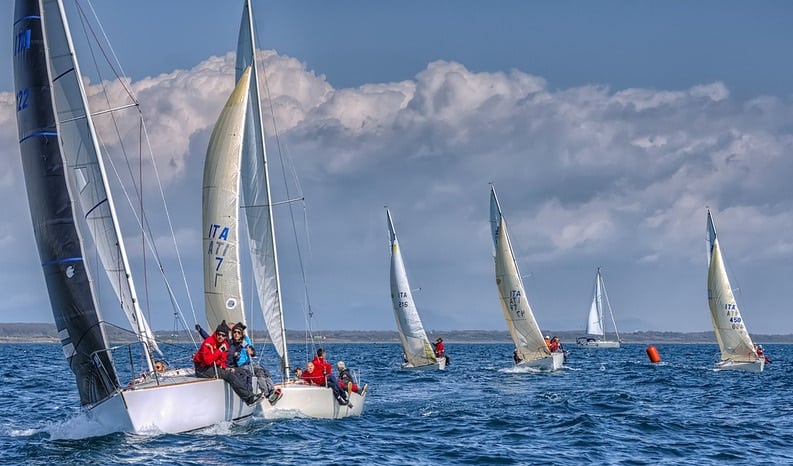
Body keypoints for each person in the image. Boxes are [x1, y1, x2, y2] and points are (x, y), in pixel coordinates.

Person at [192, 320, 261, 405]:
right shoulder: (209, 343)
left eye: (223, 335)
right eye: (219, 334)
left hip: (213, 367)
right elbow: (208, 360)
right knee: (229, 375)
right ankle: (248, 398)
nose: (220, 337)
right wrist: (219, 351)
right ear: (216, 333)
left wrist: (225, 367)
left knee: (244, 372)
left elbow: (222, 360)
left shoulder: (226, 343)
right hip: (202, 369)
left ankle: (250, 395)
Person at [227, 322, 282, 405]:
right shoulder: (231, 343)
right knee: (256, 372)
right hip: (241, 366)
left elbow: (253, 353)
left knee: (263, 372)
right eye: (234, 332)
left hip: (249, 364)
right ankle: (267, 394)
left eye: (238, 332)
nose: (236, 334)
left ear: (241, 334)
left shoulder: (246, 341)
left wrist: (251, 352)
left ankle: (271, 392)